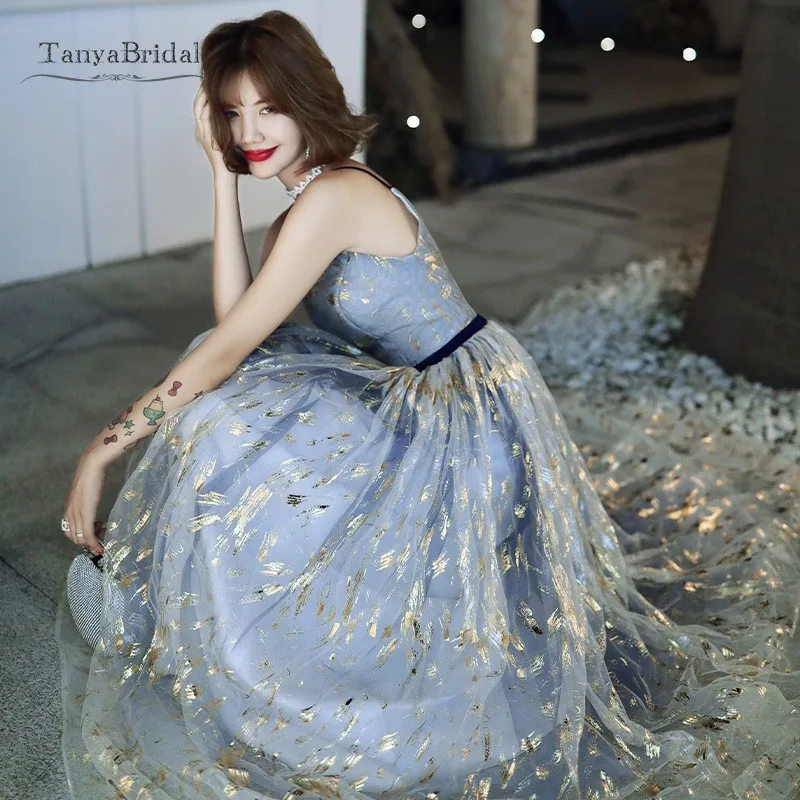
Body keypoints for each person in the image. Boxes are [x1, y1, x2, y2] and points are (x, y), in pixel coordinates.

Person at [55, 10, 800, 800]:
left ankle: (218, 622)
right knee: (234, 389)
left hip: (468, 412)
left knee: (225, 409)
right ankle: (202, 606)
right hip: (418, 391)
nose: (249, 132)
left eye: (268, 108)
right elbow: (234, 324)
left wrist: (101, 452)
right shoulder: (304, 206)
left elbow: (226, 350)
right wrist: (219, 179)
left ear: (307, 100)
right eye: (232, 113)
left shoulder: (335, 195)